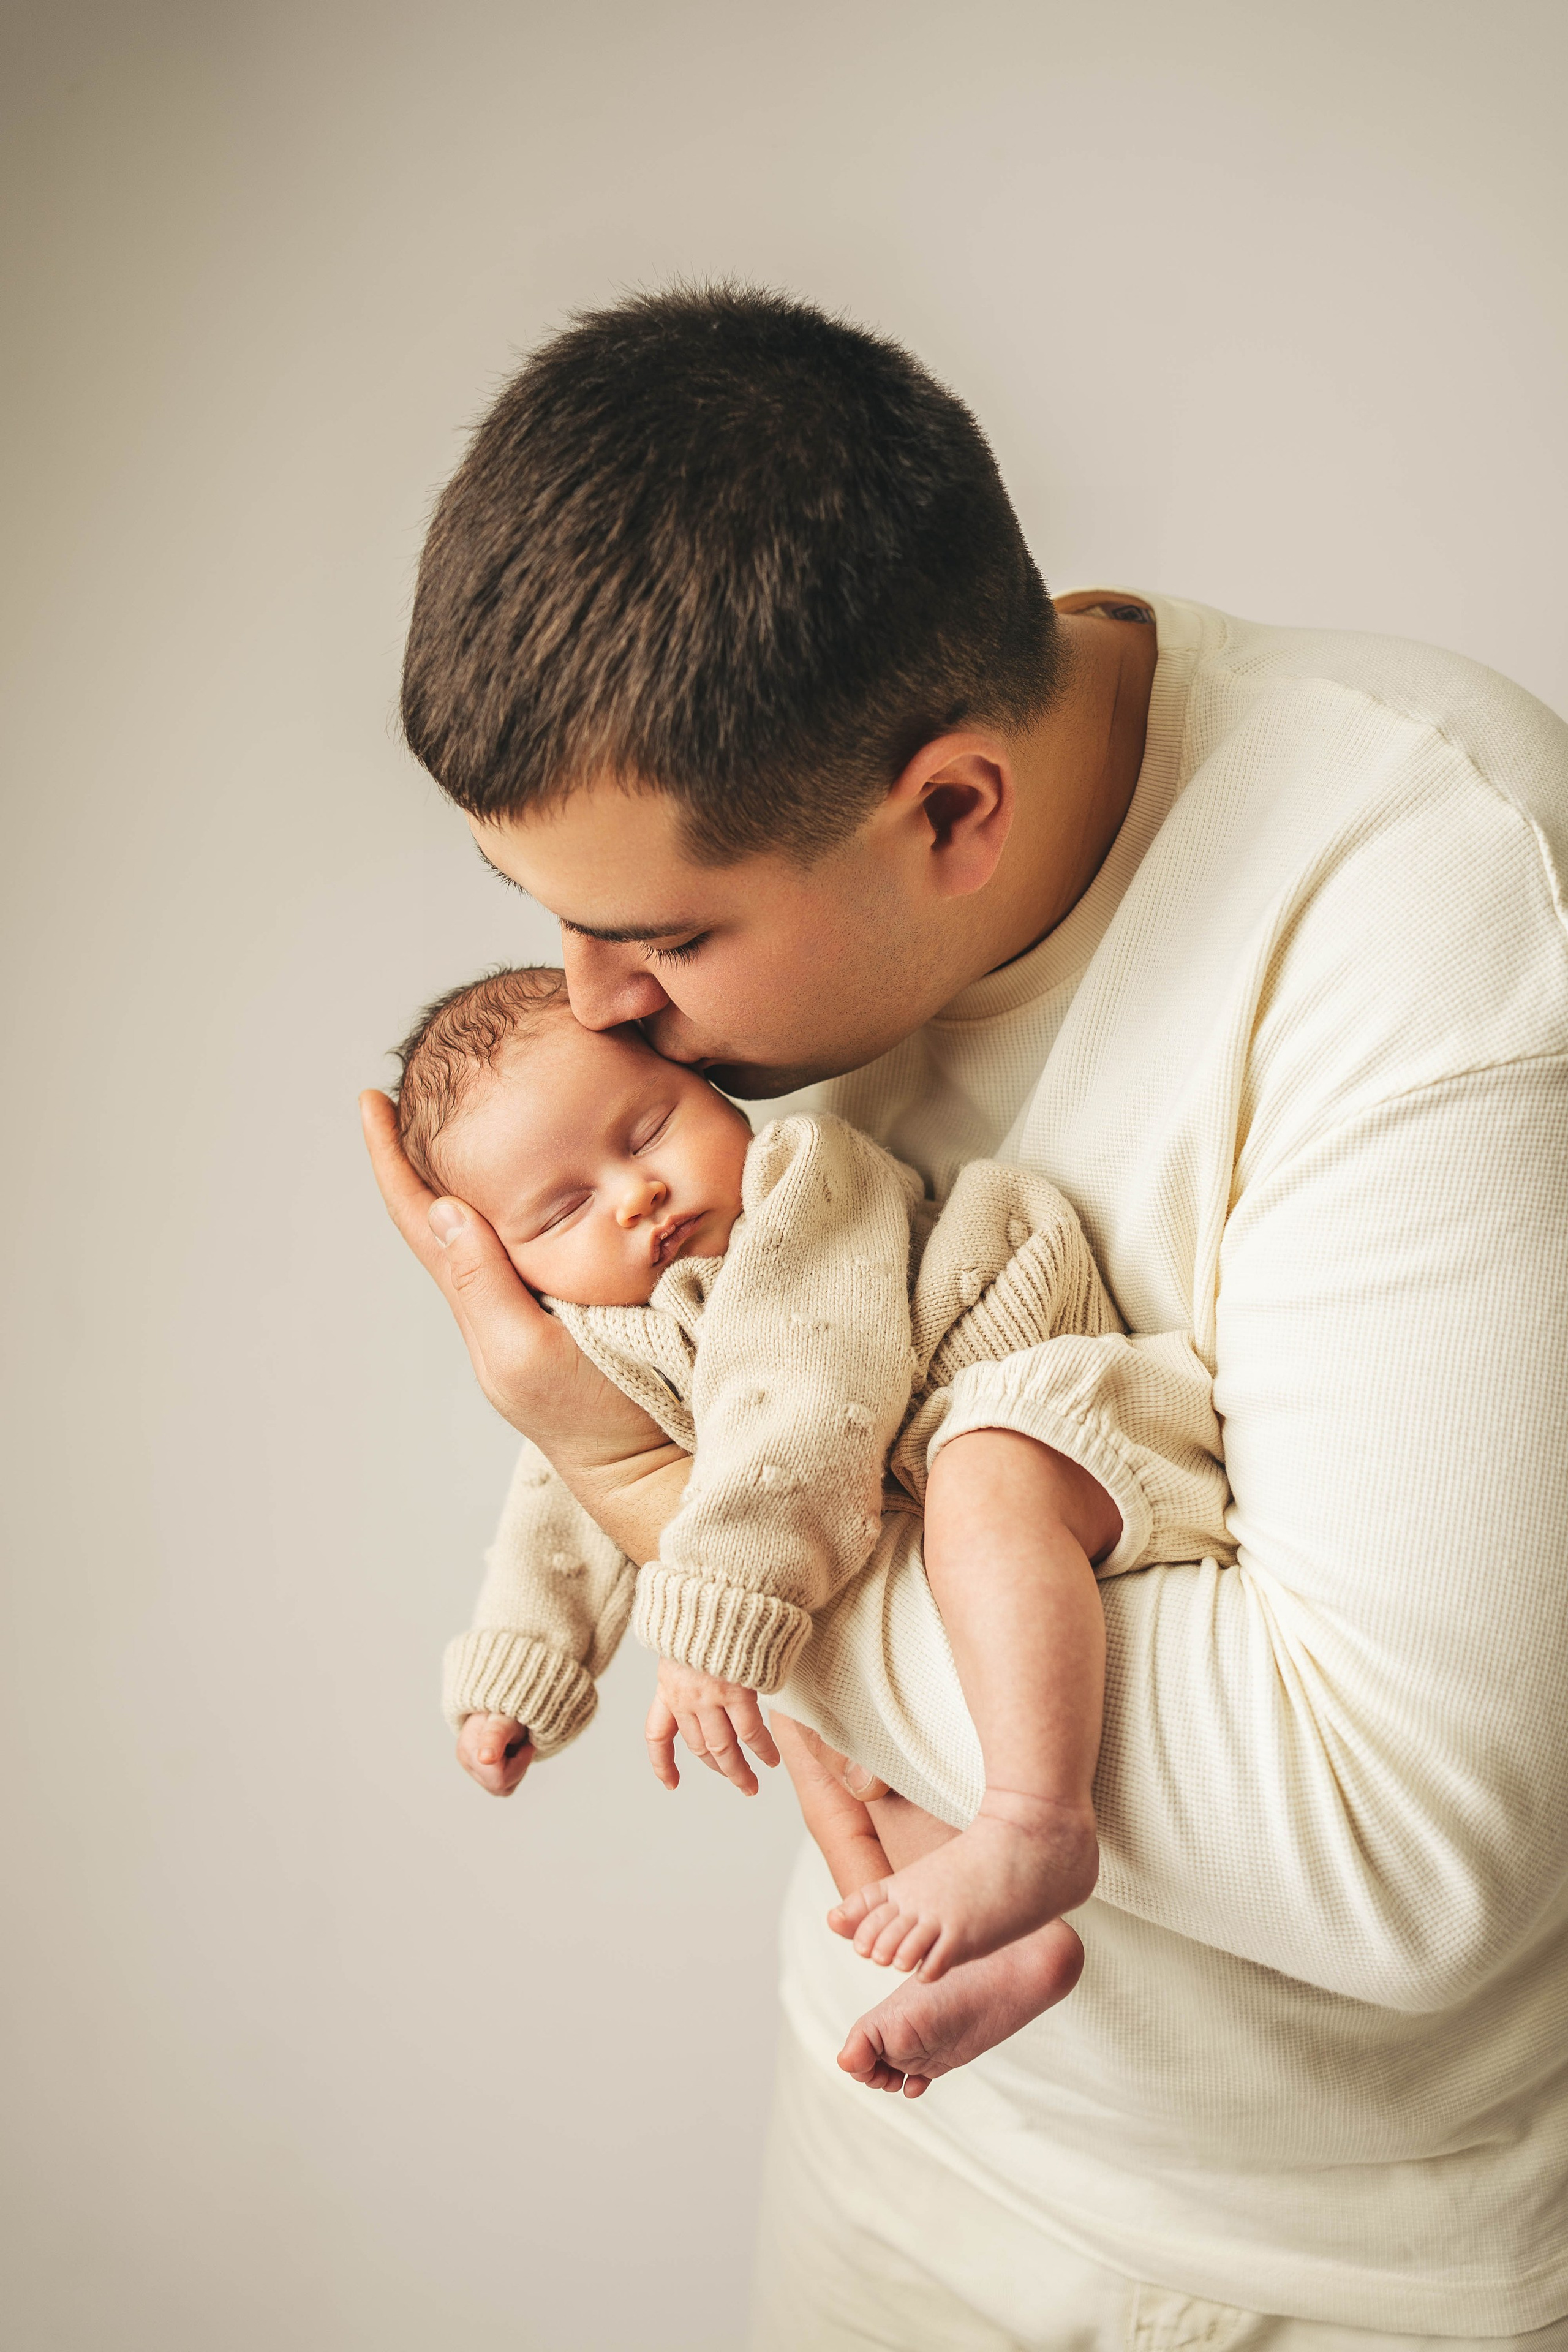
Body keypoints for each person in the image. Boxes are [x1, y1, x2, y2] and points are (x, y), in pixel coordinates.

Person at [362, 284, 1568, 2342]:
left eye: (658, 940)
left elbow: (1401, 1851)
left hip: (1350, 2267)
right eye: (546, 921)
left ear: (951, 811)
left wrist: (641, 1482)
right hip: (889, 2125)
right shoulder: (723, 1002)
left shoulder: (1427, 904)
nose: (590, 1010)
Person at [390, 963, 1231, 2087]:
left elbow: (803, 1390)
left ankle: (1039, 1821)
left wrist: (712, 1619)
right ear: (506, 1263)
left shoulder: (804, 1185)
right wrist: (521, 1667)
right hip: (891, 1504)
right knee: (829, 1726)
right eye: (564, 1210)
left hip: (1060, 1419)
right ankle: (989, 1957)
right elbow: (570, 1484)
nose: (635, 1195)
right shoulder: (604, 1336)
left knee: (963, 1491)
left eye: (648, 1131)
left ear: (703, 1085)